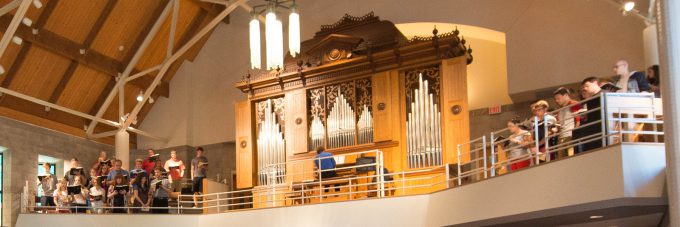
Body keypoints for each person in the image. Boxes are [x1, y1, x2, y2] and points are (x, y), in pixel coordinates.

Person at [553, 87, 586, 157]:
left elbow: (579, 121)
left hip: (571, 136)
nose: (557, 101)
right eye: (555, 99)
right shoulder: (559, 109)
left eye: (558, 98)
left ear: (566, 95)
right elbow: (559, 124)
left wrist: (575, 135)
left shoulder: (574, 104)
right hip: (561, 137)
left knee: (571, 157)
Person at [577, 77, 605, 153]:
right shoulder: (591, 99)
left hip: (602, 130)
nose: (585, 89)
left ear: (595, 83)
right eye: (583, 87)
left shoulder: (604, 94)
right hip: (594, 131)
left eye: (587, 86)